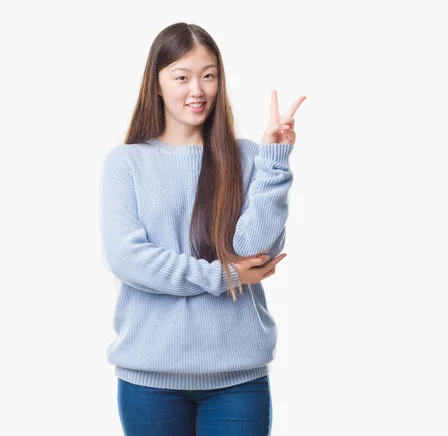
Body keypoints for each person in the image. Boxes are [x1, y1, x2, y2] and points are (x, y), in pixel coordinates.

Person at [99, 22, 306, 436]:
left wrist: (276, 159)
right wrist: (224, 275)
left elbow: (255, 250)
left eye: (209, 75)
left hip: (237, 380)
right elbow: (129, 259)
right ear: (156, 84)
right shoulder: (126, 162)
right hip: (149, 379)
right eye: (182, 77)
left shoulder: (249, 157)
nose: (198, 90)